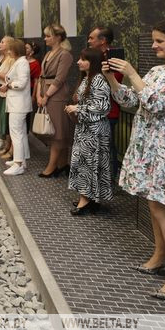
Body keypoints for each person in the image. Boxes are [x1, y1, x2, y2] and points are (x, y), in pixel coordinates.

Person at [104, 19, 165, 302]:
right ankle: (160, 256)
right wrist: (113, 79)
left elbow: (158, 103)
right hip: (146, 144)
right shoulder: (157, 70)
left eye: (160, 41)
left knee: (164, 209)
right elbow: (130, 101)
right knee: (153, 204)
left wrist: (133, 73)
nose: (154, 46)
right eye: (153, 40)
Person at [65, 48, 112, 214]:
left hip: (94, 131)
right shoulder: (88, 78)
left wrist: (77, 108)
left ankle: (85, 200)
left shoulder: (98, 79)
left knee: (88, 164)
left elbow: (103, 107)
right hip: (86, 129)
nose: (78, 62)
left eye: (83, 59)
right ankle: (89, 198)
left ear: (93, 62)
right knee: (86, 163)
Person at [35, 23, 74, 177]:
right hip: (46, 94)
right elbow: (41, 76)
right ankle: (62, 164)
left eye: (48, 36)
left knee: (58, 132)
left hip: (57, 97)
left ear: (58, 37)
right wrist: (39, 95)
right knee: (56, 132)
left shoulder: (65, 55)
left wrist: (46, 96)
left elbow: (59, 79)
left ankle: (51, 167)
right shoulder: (48, 54)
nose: (45, 39)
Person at [88, 25, 124, 182]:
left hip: (108, 111)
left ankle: (107, 182)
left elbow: (112, 84)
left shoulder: (113, 59)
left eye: (92, 38)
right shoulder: (95, 56)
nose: (89, 41)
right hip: (93, 109)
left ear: (102, 40)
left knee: (106, 149)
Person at [0, 38, 31, 176]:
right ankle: (21, 161)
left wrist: (8, 86)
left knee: (16, 134)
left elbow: (21, 83)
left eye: (10, 49)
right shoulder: (20, 62)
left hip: (18, 104)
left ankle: (18, 164)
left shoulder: (22, 63)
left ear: (16, 50)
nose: (8, 51)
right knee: (20, 133)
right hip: (17, 103)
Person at [0, 36, 17, 159]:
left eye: (2, 42)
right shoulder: (4, 58)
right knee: (4, 121)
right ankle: (7, 146)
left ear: (9, 45)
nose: (0, 44)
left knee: (8, 122)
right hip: (1, 92)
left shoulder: (12, 59)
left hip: (8, 94)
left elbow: (11, 77)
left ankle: (10, 148)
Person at [25, 41, 41, 133]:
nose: (24, 49)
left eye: (27, 48)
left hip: (29, 90)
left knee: (26, 113)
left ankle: (26, 133)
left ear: (32, 52)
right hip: (19, 90)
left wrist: (33, 96)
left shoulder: (35, 64)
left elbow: (36, 81)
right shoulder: (20, 60)